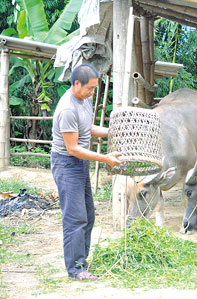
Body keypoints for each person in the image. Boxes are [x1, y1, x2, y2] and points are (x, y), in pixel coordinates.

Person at [51, 63, 122, 281]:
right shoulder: (67, 109)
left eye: (94, 89)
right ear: (76, 84)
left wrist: (113, 132)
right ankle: (75, 270)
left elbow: (87, 129)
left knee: (88, 215)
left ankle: (82, 262)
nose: (92, 93)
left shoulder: (85, 100)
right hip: (67, 163)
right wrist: (105, 158)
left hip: (80, 163)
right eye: (89, 88)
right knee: (75, 218)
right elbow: (72, 148)